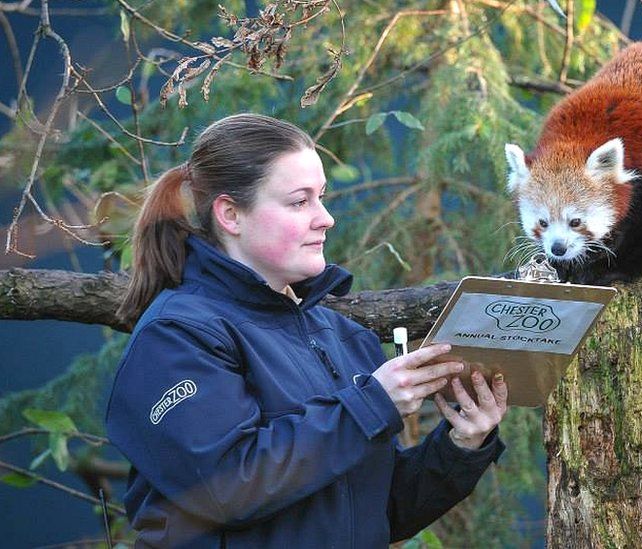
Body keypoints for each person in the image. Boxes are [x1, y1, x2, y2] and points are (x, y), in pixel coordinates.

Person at [105, 113, 508, 547]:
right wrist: (371, 404)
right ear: (230, 214)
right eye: (300, 201)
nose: (326, 218)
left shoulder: (340, 336)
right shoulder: (178, 335)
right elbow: (223, 488)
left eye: (322, 197)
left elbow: (375, 512)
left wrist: (462, 444)